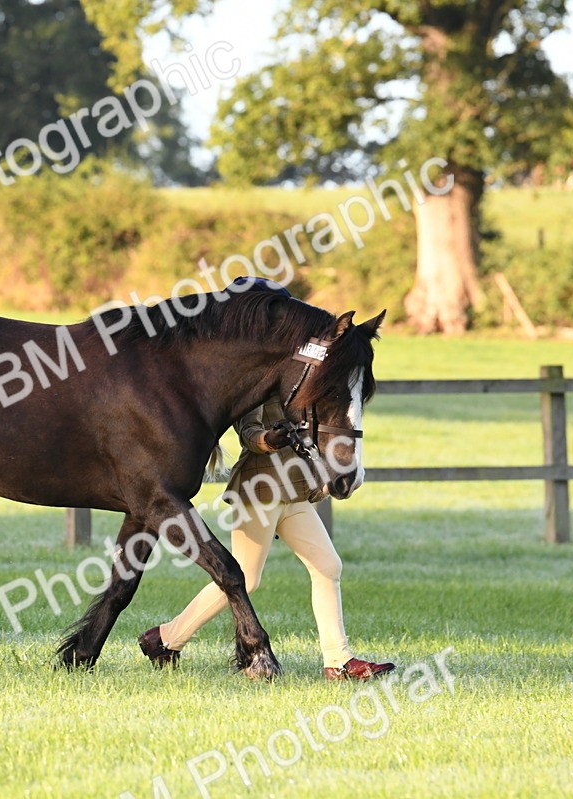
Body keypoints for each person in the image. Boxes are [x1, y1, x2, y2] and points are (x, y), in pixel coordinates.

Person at [138, 280, 394, 681]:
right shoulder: (257, 375)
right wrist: (269, 439)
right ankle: (166, 638)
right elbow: (248, 435)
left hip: (293, 491)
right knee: (247, 578)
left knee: (327, 565)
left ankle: (338, 662)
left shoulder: (308, 372)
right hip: (260, 488)